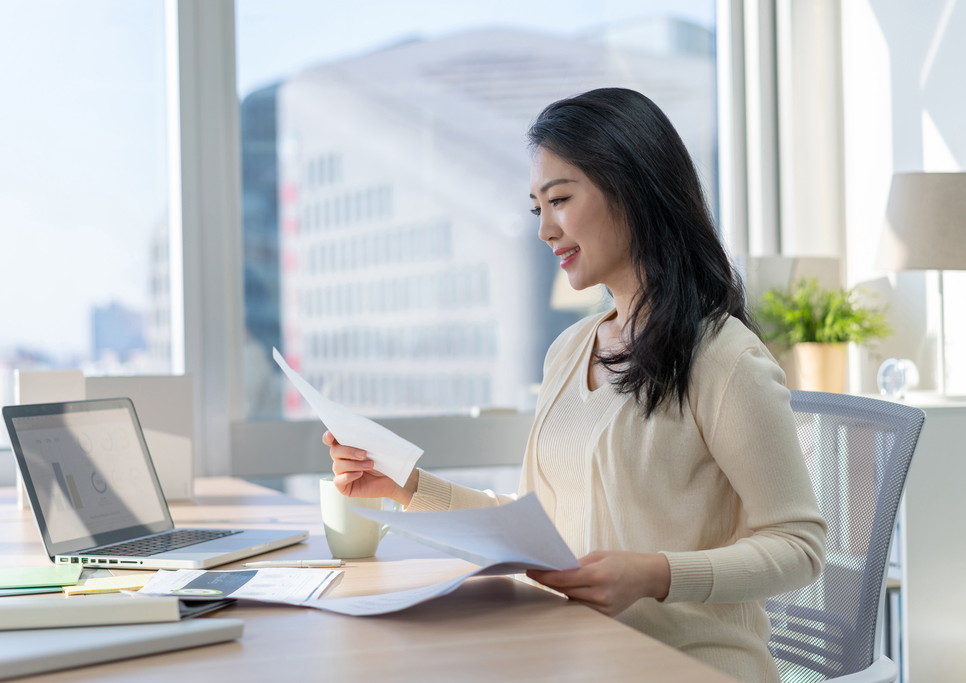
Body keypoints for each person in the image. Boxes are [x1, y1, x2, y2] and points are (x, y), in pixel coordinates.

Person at [322, 87, 826, 683]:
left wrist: (654, 574)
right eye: (538, 208)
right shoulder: (569, 350)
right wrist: (406, 486)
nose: (545, 231)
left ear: (635, 189)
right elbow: (539, 528)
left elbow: (800, 546)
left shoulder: (723, 358)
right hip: (574, 656)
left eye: (559, 199)